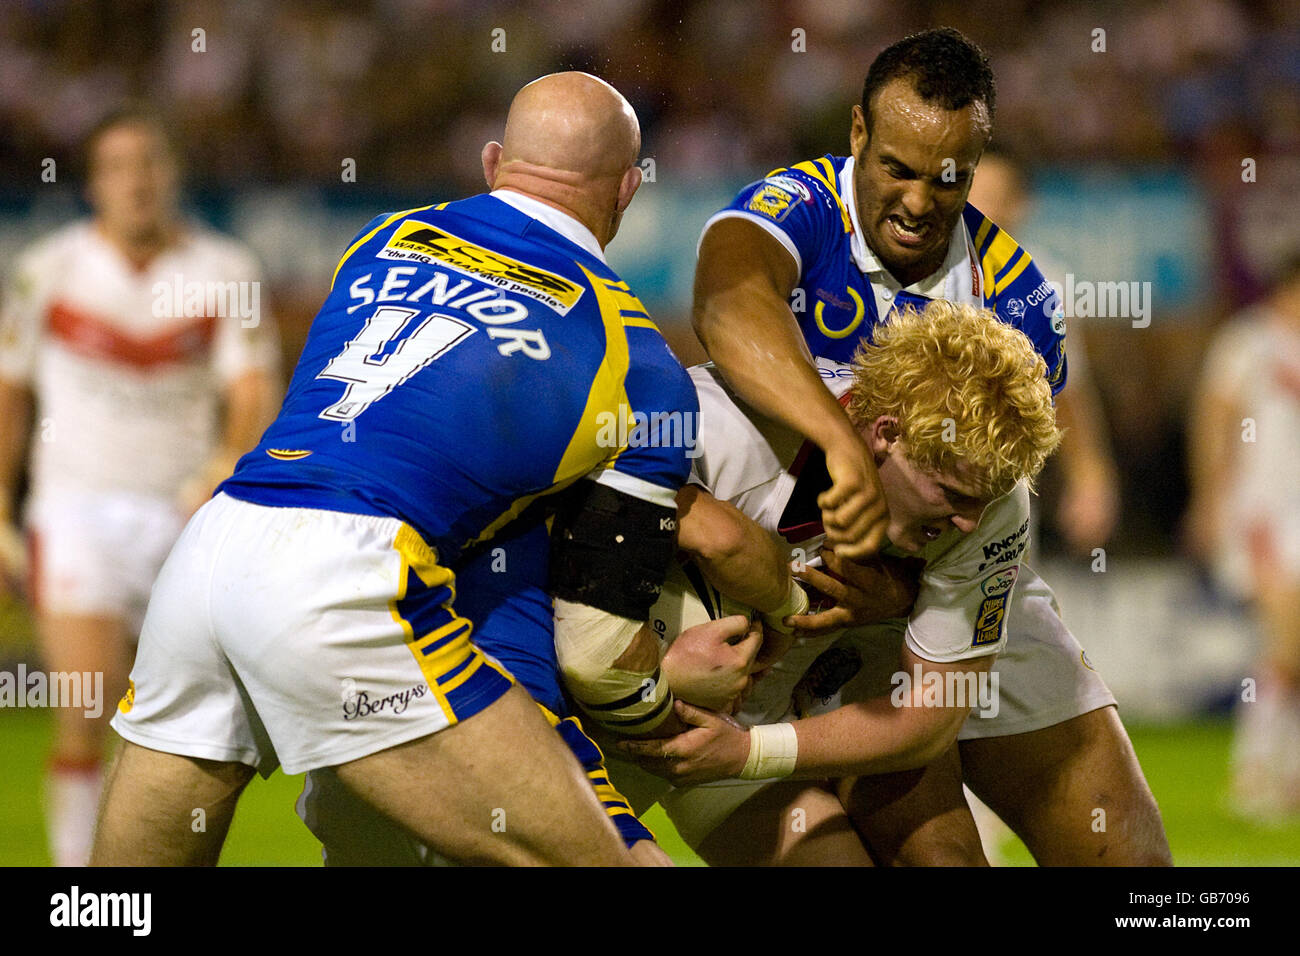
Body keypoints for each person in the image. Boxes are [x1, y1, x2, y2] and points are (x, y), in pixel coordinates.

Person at [92, 72, 707, 867]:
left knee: (116, 904)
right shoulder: (642, 364)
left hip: (215, 542)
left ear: (493, 164)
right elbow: (595, 640)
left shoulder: (380, 239)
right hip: (347, 575)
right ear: (628, 189)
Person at [678, 28, 1170, 865]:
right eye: (896, 168)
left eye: (946, 178)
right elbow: (726, 304)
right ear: (858, 139)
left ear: (974, 168)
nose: (917, 199)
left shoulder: (1019, 307)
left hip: (945, 588)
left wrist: (896, 588)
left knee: (1131, 859)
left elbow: (979, 506)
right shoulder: (798, 209)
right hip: (780, 592)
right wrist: (840, 445)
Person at [0, 108, 280, 867]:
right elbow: (11, 395)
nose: (138, 181)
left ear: (174, 174)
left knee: (177, 725)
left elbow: (252, 389)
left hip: (183, 514)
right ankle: (78, 888)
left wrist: (223, 462)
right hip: (75, 509)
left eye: (151, 163)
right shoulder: (45, 269)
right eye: (119, 166)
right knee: (85, 712)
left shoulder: (228, 269)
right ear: (94, 184)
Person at [1187, 253, 1300, 819]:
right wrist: (1209, 500)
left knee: (1291, 650)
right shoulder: (1247, 343)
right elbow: (1215, 420)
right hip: (1261, 516)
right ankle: (1254, 772)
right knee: (1283, 643)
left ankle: (1285, 776)